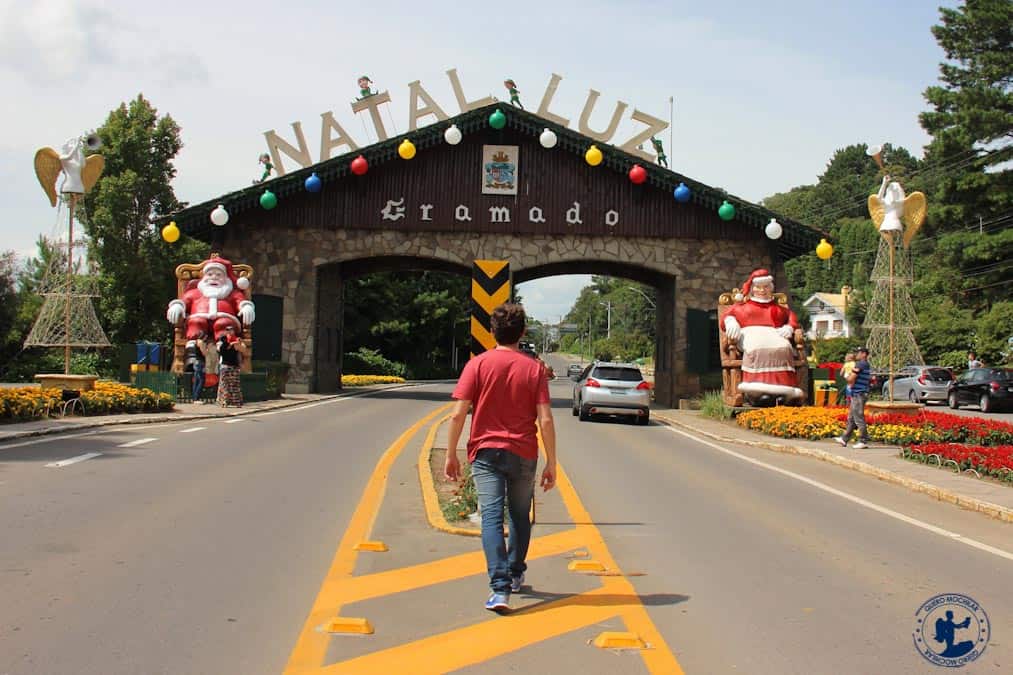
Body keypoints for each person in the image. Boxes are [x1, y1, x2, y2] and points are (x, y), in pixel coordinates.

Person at [445, 303, 557, 614]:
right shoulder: (534, 369)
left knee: (491, 518)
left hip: (485, 453)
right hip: (523, 452)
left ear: (492, 332)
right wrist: (552, 462)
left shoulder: (477, 365)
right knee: (520, 516)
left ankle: (499, 588)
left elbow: (457, 414)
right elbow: (545, 420)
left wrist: (452, 453)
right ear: (522, 333)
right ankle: (516, 571)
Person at [722, 269, 804, 403]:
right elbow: (727, 315)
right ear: (752, 289)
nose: (762, 290)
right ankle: (756, 393)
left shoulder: (777, 308)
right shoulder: (743, 307)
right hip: (751, 336)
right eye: (758, 287)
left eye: (765, 287)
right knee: (756, 348)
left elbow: (791, 316)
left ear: (770, 288)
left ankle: (783, 390)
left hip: (775, 335)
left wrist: (789, 326)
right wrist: (731, 321)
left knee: (784, 347)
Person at [835, 346, 871, 449]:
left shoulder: (861, 364)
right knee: (851, 417)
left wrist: (848, 377)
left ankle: (863, 440)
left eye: (859, 352)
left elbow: (851, 379)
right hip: (857, 393)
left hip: (859, 393)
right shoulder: (864, 364)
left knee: (858, 417)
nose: (857, 354)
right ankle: (844, 439)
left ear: (864, 354)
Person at [216, 325, 246, 408]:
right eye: (227, 330)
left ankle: (236, 402)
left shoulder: (237, 340)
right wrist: (230, 344)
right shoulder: (222, 340)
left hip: (234, 365)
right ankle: (224, 401)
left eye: (231, 330)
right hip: (225, 365)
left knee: (235, 384)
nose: (229, 332)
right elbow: (219, 349)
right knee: (224, 385)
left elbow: (243, 349)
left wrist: (237, 343)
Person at [189, 331, 209, 404]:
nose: (206, 338)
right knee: (201, 380)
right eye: (206, 336)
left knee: (197, 380)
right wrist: (207, 350)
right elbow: (204, 353)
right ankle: (197, 397)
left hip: (196, 361)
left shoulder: (196, 342)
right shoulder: (201, 342)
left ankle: (194, 397)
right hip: (200, 362)